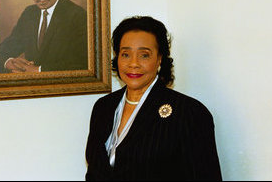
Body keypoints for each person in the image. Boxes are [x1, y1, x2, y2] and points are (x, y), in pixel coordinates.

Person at [85, 16, 222, 180]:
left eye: (144, 55)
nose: (133, 63)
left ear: (159, 58)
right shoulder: (103, 107)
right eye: (126, 54)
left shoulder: (188, 113)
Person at [0, 0, 88, 73]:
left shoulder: (77, 16)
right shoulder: (29, 14)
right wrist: (9, 62)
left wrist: (39, 70)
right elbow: (4, 50)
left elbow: (82, 62)